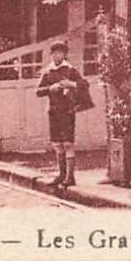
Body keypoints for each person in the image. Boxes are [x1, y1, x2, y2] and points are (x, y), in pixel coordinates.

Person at [35, 41, 87, 187]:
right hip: (53, 111)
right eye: (55, 53)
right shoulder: (48, 71)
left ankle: (70, 177)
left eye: (60, 53)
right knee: (57, 144)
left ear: (64, 54)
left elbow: (84, 85)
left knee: (68, 144)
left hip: (68, 111)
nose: (57, 55)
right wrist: (50, 88)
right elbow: (38, 91)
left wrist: (71, 84)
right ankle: (61, 174)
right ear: (51, 55)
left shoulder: (70, 70)